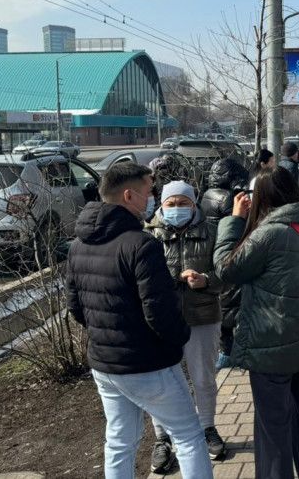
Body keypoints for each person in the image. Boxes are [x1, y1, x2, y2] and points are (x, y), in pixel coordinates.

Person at [66, 163, 213, 479]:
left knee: (120, 440)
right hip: (148, 363)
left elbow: (76, 309)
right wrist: (180, 336)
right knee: (188, 435)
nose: (153, 199)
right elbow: (159, 313)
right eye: (149, 192)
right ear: (129, 195)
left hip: (105, 363)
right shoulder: (142, 244)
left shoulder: (79, 244)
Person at [214, 167, 299, 479]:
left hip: (270, 349)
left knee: (273, 430)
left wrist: (233, 220)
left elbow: (224, 269)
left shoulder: (267, 235)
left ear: (262, 198)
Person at [146, 180, 226, 467]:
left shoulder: (212, 232)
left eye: (184, 203)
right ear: (162, 205)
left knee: (204, 378)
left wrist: (207, 281)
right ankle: (162, 438)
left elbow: (227, 273)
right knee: (162, 381)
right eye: (171, 203)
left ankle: (207, 427)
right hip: (162, 320)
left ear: (194, 205)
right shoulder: (148, 234)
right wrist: (174, 279)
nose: (177, 208)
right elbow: (144, 279)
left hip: (202, 316)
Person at [198, 158, 251, 371]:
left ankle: (225, 350)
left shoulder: (207, 195)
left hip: (211, 252)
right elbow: (237, 226)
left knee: (223, 302)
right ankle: (232, 352)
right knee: (232, 302)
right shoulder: (229, 198)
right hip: (228, 251)